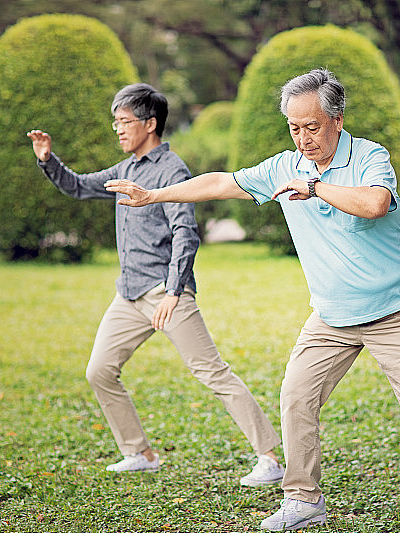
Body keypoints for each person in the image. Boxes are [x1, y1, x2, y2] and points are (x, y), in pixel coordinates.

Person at [105, 69, 400, 531]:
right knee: (295, 398)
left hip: (397, 310)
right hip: (331, 316)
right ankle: (303, 499)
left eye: (311, 126)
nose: (303, 138)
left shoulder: (370, 156)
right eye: (294, 127)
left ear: (337, 120)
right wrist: (153, 195)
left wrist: (314, 187)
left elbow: (374, 204)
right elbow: (218, 183)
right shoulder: (283, 165)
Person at [26, 83, 284, 486]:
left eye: (125, 121)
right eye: (116, 122)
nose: (118, 129)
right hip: (129, 295)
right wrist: (48, 159)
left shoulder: (172, 171)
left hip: (165, 292)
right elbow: (78, 186)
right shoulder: (124, 170)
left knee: (213, 372)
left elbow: (185, 232)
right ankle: (139, 452)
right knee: (99, 371)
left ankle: (269, 459)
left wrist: (175, 290)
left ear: (150, 124)